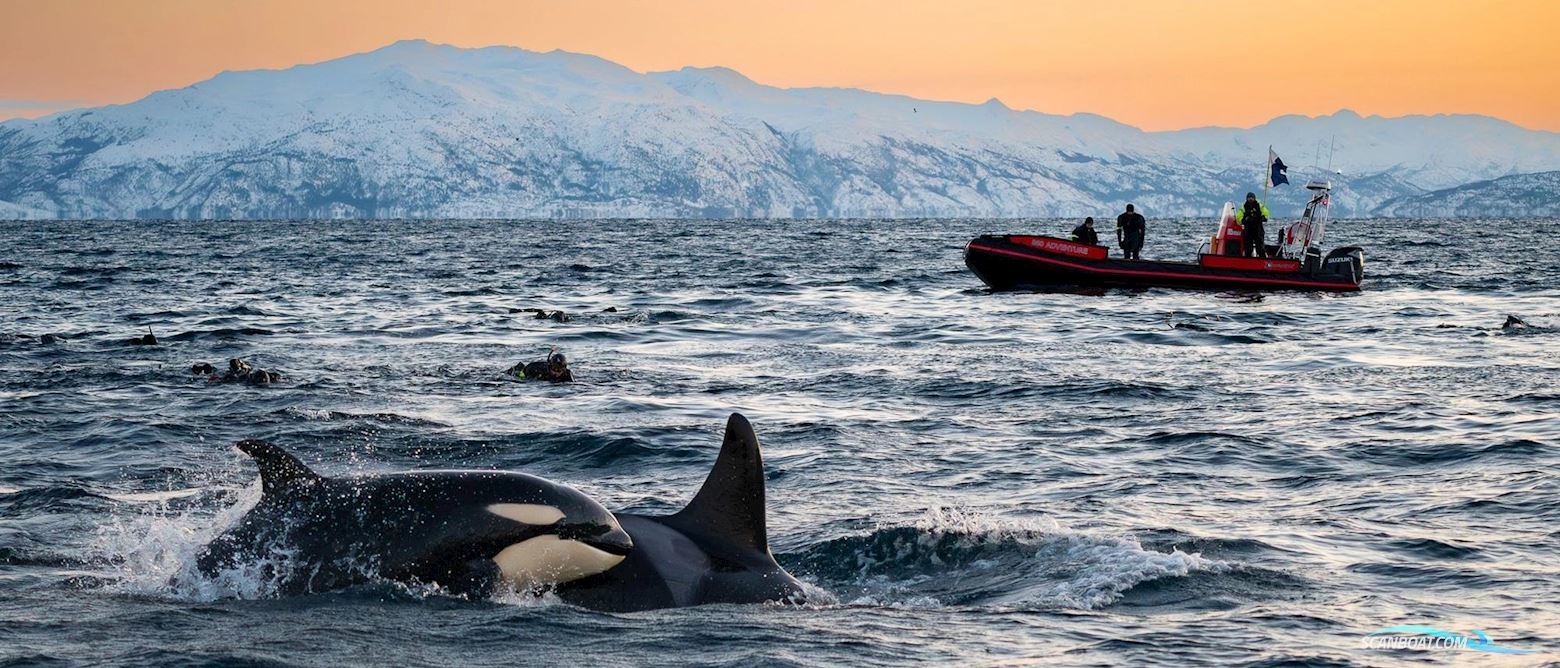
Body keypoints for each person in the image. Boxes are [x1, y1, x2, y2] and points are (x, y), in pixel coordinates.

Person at [1236, 192, 1270, 258]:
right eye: (1249, 198)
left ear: (1254, 198)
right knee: (1248, 247)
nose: (1250, 199)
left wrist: (1262, 218)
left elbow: (1267, 214)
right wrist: (1244, 220)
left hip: (1258, 229)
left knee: (1260, 246)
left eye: (1252, 197)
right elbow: (1239, 218)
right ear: (1247, 199)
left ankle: (1262, 259)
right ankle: (1248, 260)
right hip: (1248, 229)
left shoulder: (1259, 206)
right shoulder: (1244, 207)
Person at [509, 351, 574, 383]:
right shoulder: (539, 369)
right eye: (554, 369)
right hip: (526, 370)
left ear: (564, 371)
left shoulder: (567, 375)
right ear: (549, 367)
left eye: (559, 371)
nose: (555, 373)